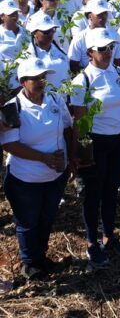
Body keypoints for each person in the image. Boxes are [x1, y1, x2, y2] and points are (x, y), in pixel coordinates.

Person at [1, 57, 74, 280]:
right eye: (35, 78)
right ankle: (29, 263)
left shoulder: (55, 99)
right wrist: (43, 158)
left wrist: (71, 158)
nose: (41, 81)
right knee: (28, 222)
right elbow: (10, 144)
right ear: (23, 81)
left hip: (54, 176)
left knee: (46, 218)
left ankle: (41, 257)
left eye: (43, 77)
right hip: (26, 179)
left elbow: (69, 127)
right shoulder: (14, 108)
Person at [71, 28, 120, 265]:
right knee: (93, 194)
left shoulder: (119, 72)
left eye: (111, 47)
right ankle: (91, 242)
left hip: (118, 140)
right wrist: (81, 152)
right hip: (96, 143)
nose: (108, 52)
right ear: (89, 52)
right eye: (102, 49)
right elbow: (81, 120)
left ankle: (109, 236)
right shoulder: (82, 81)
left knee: (111, 190)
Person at [68, 0, 120, 73]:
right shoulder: (79, 39)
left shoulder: (115, 36)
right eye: (98, 14)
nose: (103, 16)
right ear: (89, 16)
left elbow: (119, 63)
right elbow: (73, 67)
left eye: (105, 13)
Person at [25, 14, 71, 89]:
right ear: (34, 33)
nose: (50, 34)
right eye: (45, 32)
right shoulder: (27, 56)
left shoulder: (62, 52)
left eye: (52, 30)